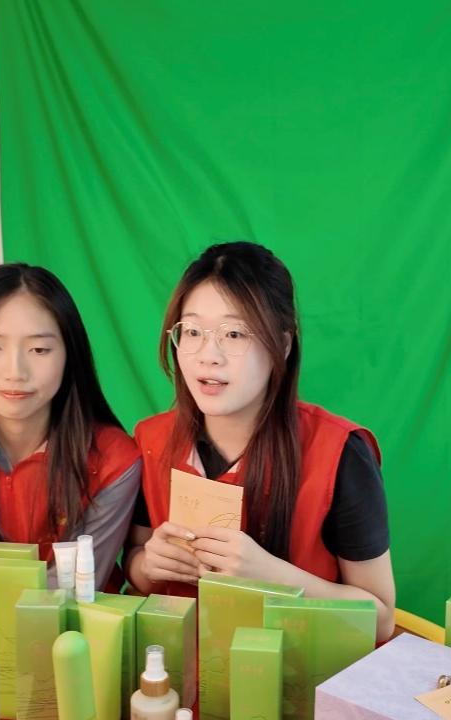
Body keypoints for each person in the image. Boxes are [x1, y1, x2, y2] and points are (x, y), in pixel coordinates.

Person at [124, 242, 395, 641]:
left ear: (282, 345)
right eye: (193, 331)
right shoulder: (151, 440)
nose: (208, 355)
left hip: (300, 670)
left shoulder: (339, 452)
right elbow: (135, 566)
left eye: (234, 333)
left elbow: (381, 618)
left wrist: (271, 575)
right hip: (178, 669)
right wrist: (147, 565)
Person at [0, 263, 140, 590]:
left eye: (39, 349)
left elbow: (78, 587)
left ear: (70, 354)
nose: (15, 372)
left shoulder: (113, 460)